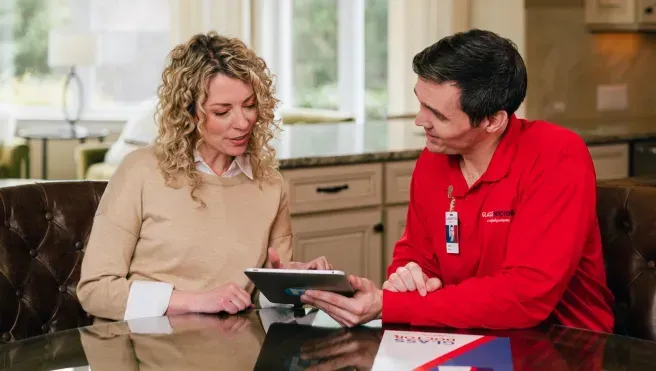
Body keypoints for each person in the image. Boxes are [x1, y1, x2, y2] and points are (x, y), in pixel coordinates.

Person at [300, 29, 615, 332]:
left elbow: (524, 297)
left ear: (492, 120)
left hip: (564, 343)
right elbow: (415, 254)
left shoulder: (557, 156)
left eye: (436, 114)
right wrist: (408, 277)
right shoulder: (433, 158)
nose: (419, 120)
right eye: (420, 102)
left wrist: (391, 305)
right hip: (465, 336)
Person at [77, 31, 331, 322]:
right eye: (223, 111)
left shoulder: (270, 183)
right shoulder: (139, 172)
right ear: (189, 114)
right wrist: (194, 301)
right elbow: (95, 291)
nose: (243, 121)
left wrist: (288, 284)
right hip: (151, 350)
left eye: (249, 105)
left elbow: (264, 303)